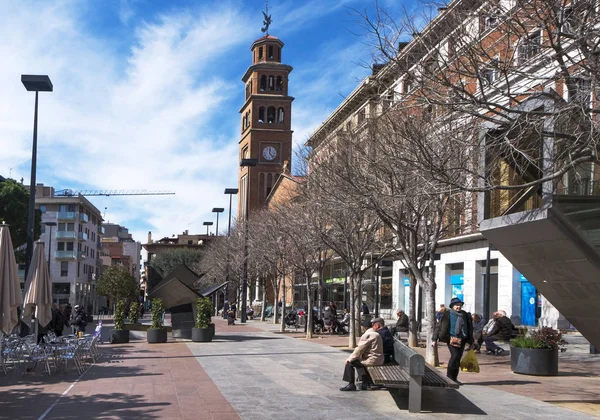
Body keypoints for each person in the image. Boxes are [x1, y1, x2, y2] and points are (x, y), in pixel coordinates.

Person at [432, 297, 473, 384]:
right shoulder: (447, 314)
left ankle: (454, 378)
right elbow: (438, 327)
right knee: (455, 356)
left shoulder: (465, 315)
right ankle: (449, 377)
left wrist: (471, 341)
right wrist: (434, 339)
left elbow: (470, 328)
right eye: (456, 305)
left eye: (459, 305)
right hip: (451, 338)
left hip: (462, 339)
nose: (458, 307)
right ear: (452, 306)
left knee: (458, 359)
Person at [340, 317, 385, 391]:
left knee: (350, 363)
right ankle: (364, 381)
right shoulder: (376, 334)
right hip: (378, 359)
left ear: (364, 327)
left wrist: (349, 359)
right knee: (358, 362)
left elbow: (359, 349)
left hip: (372, 360)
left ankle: (351, 384)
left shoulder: (369, 335)